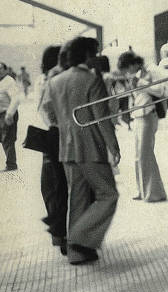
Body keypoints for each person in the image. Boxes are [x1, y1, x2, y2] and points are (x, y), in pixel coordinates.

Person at [41, 37, 120, 265]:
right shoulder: (91, 79)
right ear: (86, 54)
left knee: (78, 198)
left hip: (66, 148)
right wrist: (113, 147)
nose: (96, 56)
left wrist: (66, 126)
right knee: (109, 195)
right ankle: (78, 240)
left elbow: (48, 111)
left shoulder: (55, 81)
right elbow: (101, 118)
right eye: (93, 52)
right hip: (90, 148)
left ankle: (78, 252)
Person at [117, 51, 168, 202]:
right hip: (137, 116)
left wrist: (140, 83)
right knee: (138, 156)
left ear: (133, 64)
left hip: (148, 114)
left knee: (146, 154)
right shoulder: (134, 76)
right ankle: (142, 190)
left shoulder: (150, 70)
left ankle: (154, 192)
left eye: (127, 68)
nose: (127, 72)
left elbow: (160, 91)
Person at [37, 45, 69, 254]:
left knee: (53, 186)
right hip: (61, 135)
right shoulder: (57, 76)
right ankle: (63, 232)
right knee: (63, 186)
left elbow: (41, 109)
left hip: (49, 136)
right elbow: (47, 108)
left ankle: (60, 233)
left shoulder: (43, 79)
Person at [0, 62, 22, 172]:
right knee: (5, 138)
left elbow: (16, 98)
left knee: (7, 139)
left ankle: (11, 164)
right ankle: (11, 163)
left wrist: (9, 114)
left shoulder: (9, 81)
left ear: (6, 70)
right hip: (1, 114)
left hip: (7, 113)